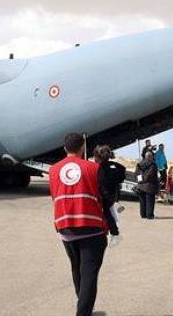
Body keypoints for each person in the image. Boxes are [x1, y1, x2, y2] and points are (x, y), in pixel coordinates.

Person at [49, 133, 108, 316]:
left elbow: (54, 196)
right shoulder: (93, 168)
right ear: (82, 147)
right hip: (91, 227)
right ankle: (83, 312)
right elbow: (105, 196)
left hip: (65, 228)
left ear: (65, 148)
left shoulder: (53, 170)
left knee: (77, 268)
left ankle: (83, 305)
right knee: (89, 273)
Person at [93, 145, 124, 237]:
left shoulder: (99, 167)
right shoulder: (114, 165)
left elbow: (99, 182)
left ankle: (114, 231)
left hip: (104, 195)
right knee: (109, 212)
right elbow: (122, 171)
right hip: (114, 193)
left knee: (106, 213)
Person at [135, 150, 159, 219]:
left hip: (141, 186)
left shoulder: (139, 164)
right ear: (151, 157)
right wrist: (144, 180)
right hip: (149, 186)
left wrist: (140, 181)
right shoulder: (153, 164)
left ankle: (143, 215)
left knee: (142, 201)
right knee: (150, 202)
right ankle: (149, 215)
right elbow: (150, 174)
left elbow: (137, 173)